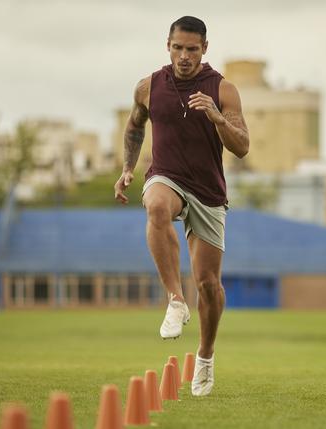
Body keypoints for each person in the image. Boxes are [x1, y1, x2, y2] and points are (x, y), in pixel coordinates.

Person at [114, 16, 249, 396]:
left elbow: (242, 146)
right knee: (155, 205)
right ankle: (175, 300)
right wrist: (127, 168)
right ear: (167, 45)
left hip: (208, 192)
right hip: (167, 176)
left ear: (205, 48)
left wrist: (216, 116)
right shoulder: (148, 86)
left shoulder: (223, 89)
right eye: (178, 47)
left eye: (192, 49)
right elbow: (135, 126)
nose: (184, 56)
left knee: (208, 285)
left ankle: (205, 356)